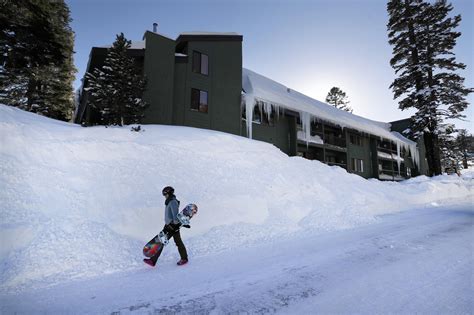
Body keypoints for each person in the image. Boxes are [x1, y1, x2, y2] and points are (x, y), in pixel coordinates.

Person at [143, 186, 188, 267]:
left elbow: (175, 216)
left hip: (172, 226)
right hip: (168, 225)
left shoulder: (173, 202)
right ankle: (153, 260)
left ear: (169, 193)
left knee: (169, 242)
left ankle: (184, 258)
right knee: (163, 241)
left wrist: (175, 226)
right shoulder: (169, 201)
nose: (164, 196)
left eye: (165, 194)